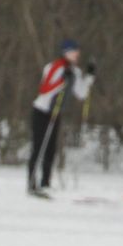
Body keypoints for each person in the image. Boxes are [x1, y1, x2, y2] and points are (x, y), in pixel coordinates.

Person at [26, 39, 95, 198]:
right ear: (66, 53)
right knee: (39, 147)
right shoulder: (53, 67)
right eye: (74, 51)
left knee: (51, 149)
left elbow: (81, 93)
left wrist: (90, 77)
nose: (77, 54)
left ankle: (45, 183)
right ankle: (31, 184)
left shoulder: (75, 72)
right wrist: (62, 80)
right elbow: (44, 89)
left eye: (77, 51)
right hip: (41, 111)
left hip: (55, 113)